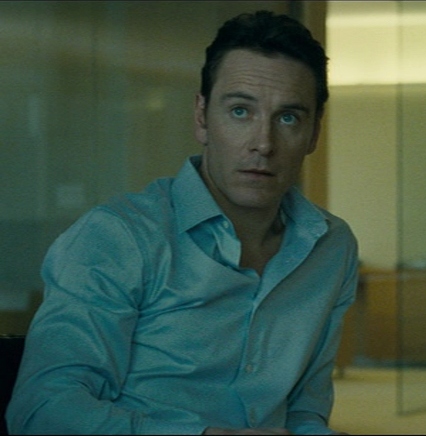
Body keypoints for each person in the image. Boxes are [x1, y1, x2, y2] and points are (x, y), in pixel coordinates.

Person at [6, 11, 358, 435]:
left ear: (314, 132)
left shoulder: (331, 246)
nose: (263, 144)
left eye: (288, 118)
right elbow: (41, 410)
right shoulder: (118, 237)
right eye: (240, 111)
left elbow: (304, 413)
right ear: (201, 117)